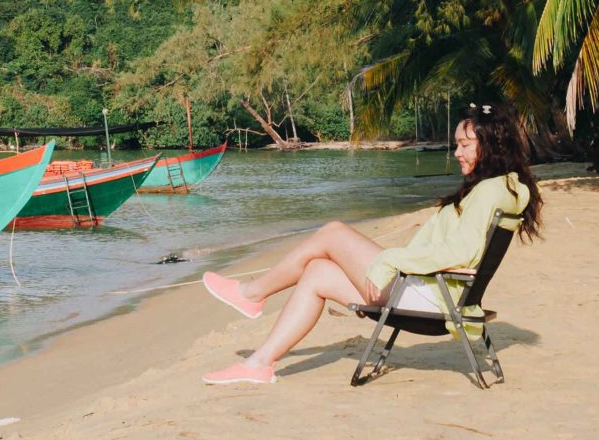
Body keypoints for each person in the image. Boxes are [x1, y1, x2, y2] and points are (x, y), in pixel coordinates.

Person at [199, 108, 543, 385]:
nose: (457, 152)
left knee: (333, 232)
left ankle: (252, 293)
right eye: (457, 144)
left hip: (428, 296)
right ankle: (259, 363)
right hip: (432, 290)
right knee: (317, 272)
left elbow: (459, 253)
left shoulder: (489, 191)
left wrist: (393, 258)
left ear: (493, 146)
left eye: (466, 145)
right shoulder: (502, 188)